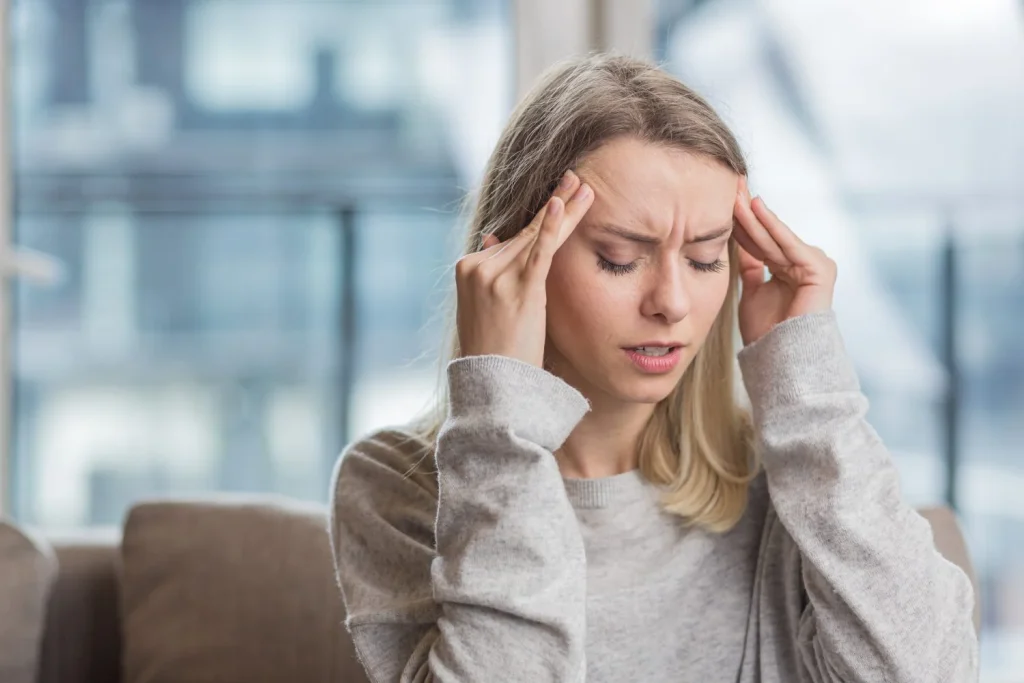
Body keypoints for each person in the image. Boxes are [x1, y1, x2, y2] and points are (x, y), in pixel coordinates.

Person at [329, 53, 978, 682]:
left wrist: (808, 388)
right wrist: (499, 422)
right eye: (618, 258)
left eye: (704, 259)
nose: (670, 302)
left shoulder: (793, 472)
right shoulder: (398, 488)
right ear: (513, 264)